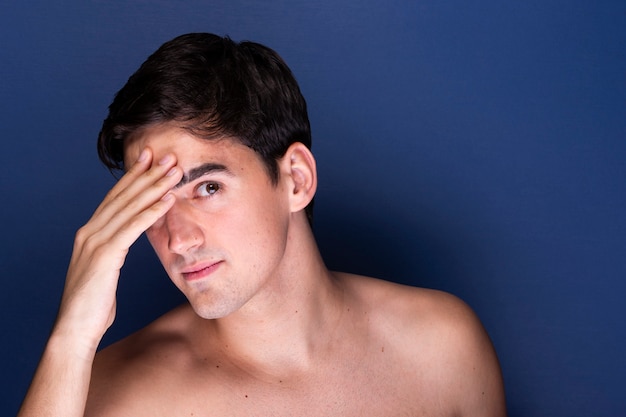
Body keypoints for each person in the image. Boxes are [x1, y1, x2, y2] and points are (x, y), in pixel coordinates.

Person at [18, 33, 506, 416]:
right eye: (149, 206)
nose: (178, 239)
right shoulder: (112, 395)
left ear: (295, 179)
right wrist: (72, 337)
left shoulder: (443, 348)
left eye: (207, 188)